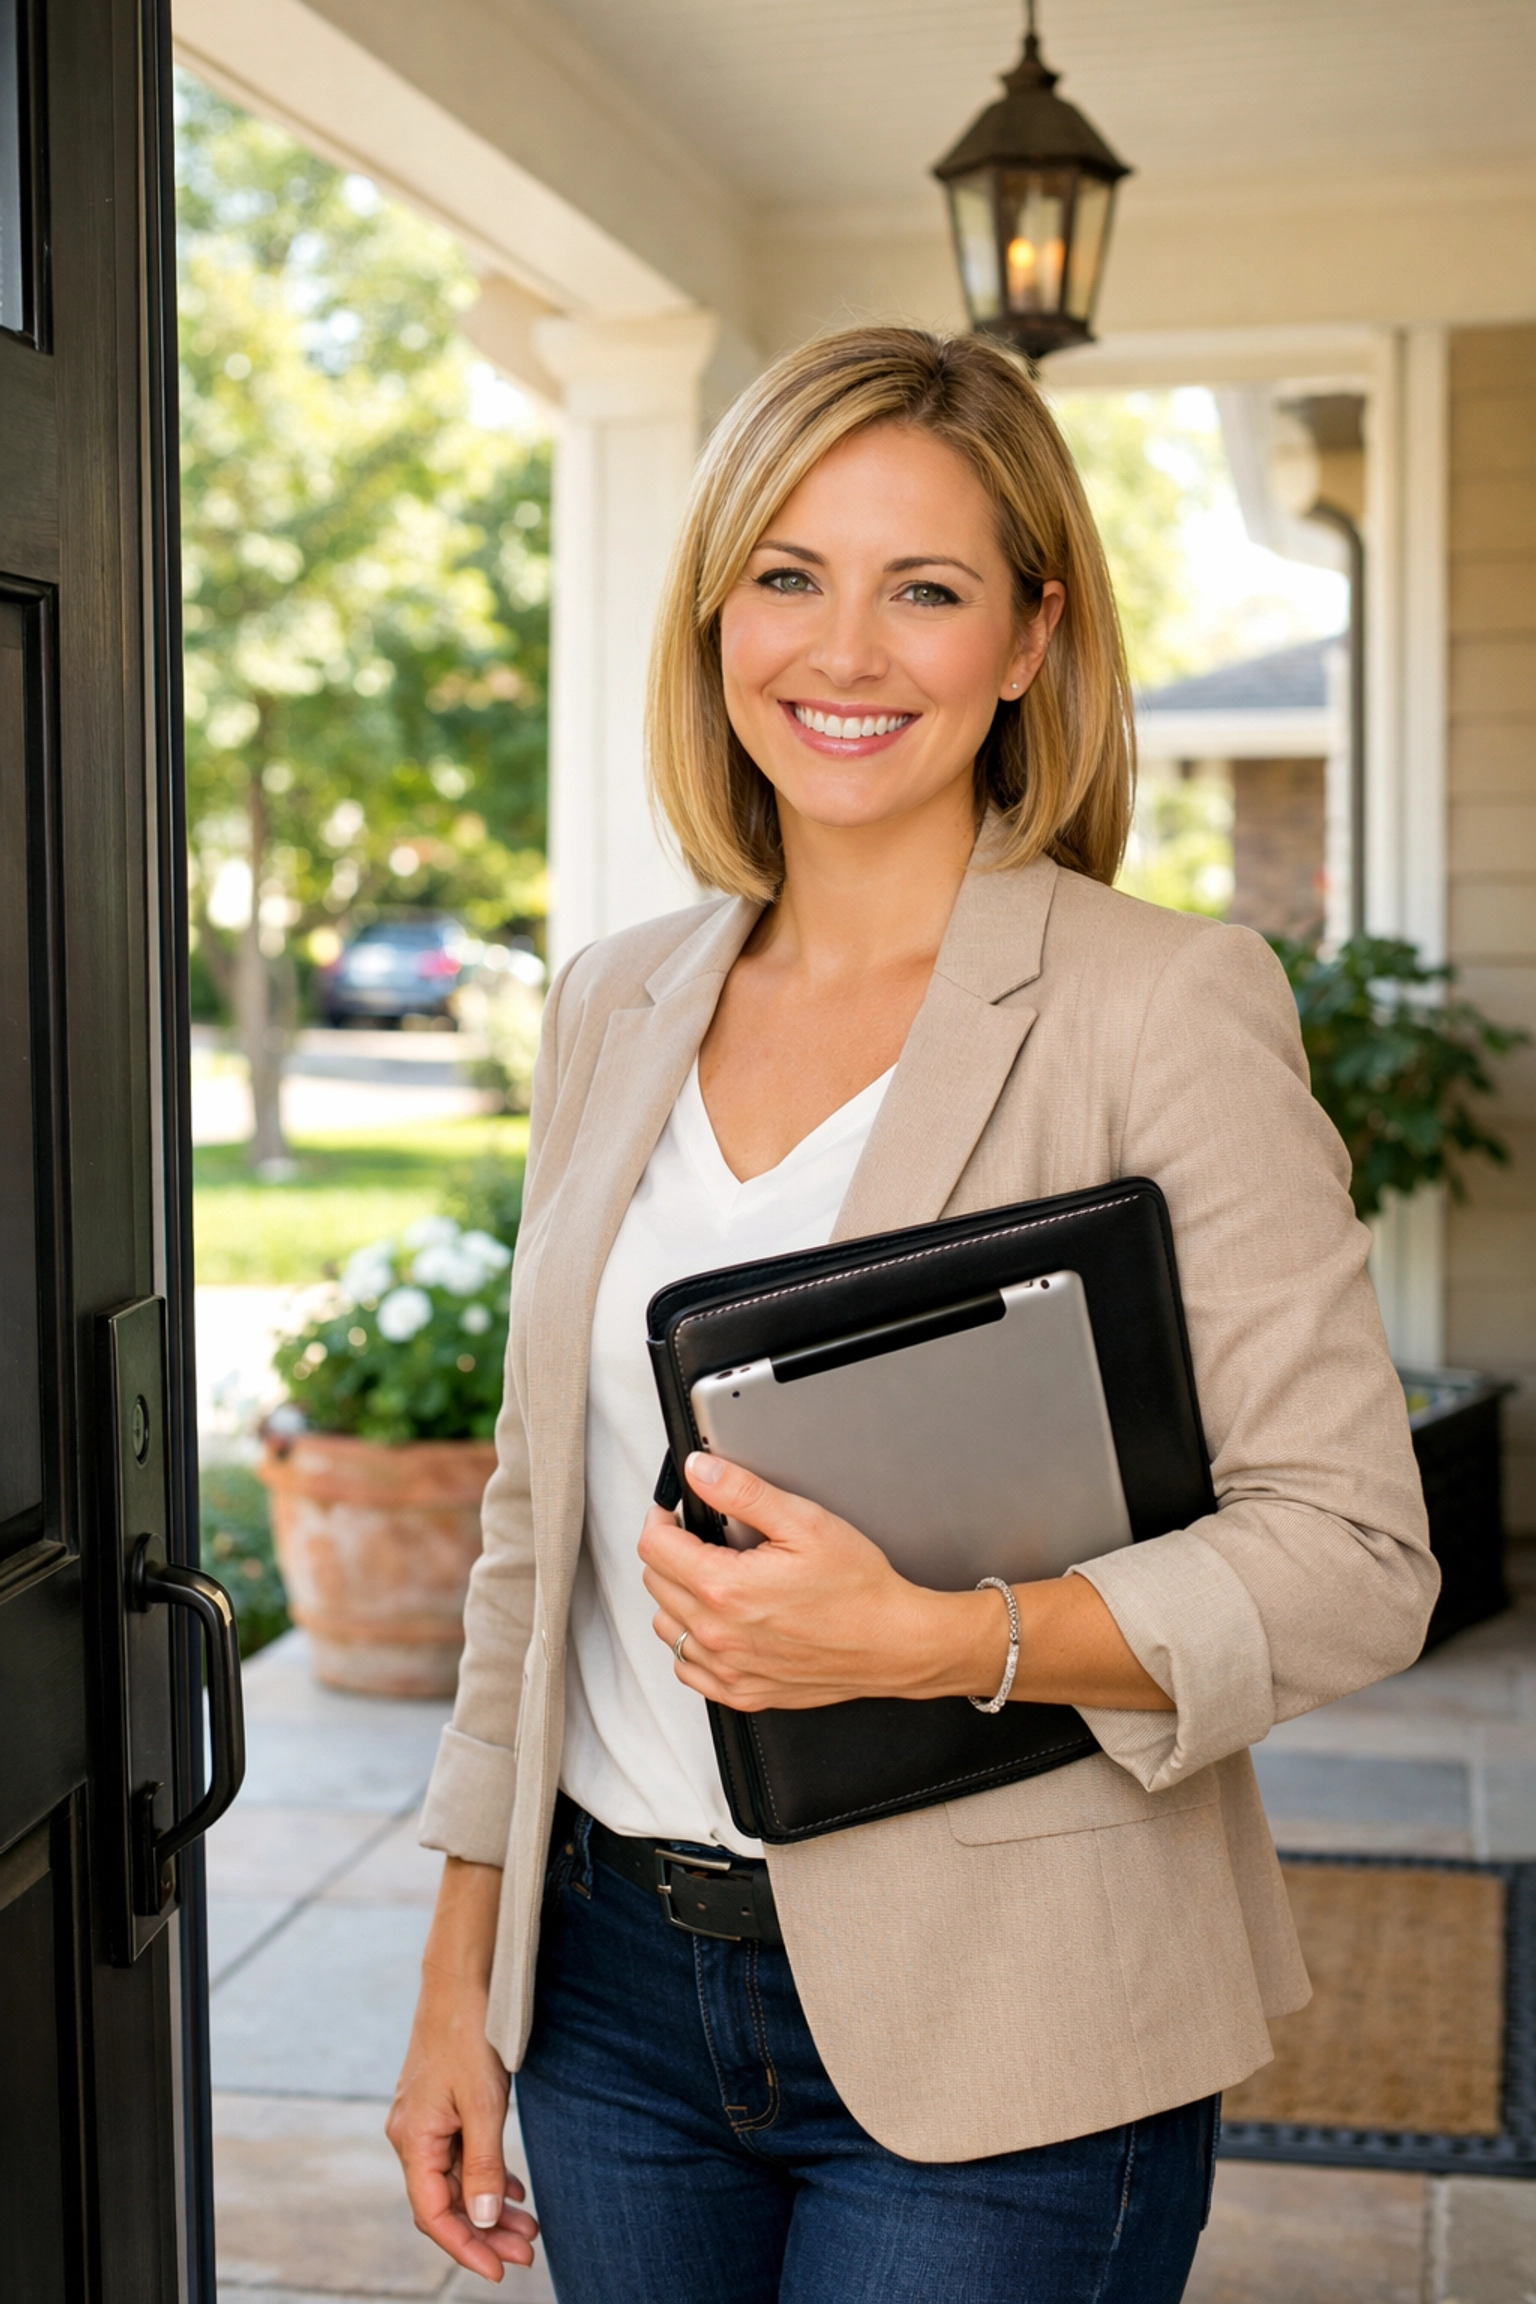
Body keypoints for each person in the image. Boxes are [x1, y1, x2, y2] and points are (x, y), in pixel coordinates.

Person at [387, 327, 1435, 2302]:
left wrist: (941, 1640)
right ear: (714, 614)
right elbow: (539, 1544)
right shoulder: (613, 999)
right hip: (610, 2003)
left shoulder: (1163, 1003)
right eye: (787, 573)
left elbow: (1354, 1556)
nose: (843, 650)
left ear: (1031, 637)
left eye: (925, 588)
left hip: (1015, 2022)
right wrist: (465, 1981)